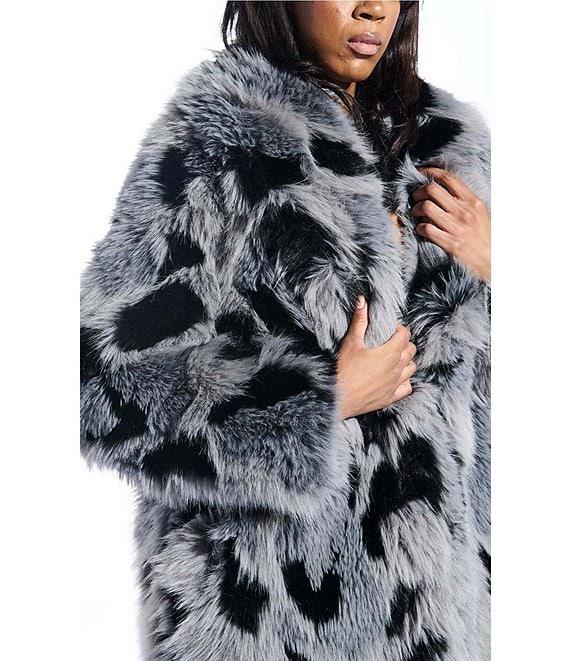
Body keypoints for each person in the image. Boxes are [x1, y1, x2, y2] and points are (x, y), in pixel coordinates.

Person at [80, 2, 491, 659]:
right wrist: (320, 402)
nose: (373, 8)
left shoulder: (446, 148)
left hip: (434, 614)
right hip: (262, 615)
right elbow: (102, 387)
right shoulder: (225, 138)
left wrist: (501, 268)